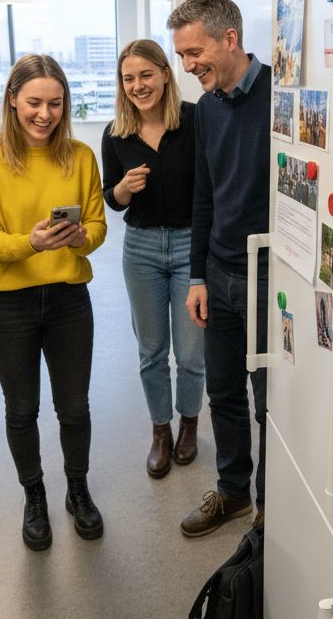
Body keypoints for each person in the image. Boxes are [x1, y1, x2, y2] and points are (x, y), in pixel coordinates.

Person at [0, 54, 108, 551]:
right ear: (12, 99)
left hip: (69, 299)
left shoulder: (82, 156)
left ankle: (77, 488)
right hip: (7, 306)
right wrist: (33, 243)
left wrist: (75, 239)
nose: (44, 114)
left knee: (74, 407)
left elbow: (98, 229)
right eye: (33, 103)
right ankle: (35, 494)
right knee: (22, 409)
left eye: (54, 103)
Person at [170, 0, 270, 537]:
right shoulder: (207, 109)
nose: (187, 67)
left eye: (193, 52)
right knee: (224, 393)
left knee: (269, 404)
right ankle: (233, 493)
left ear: (230, 39)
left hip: (269, 277)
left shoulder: (283, 96)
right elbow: (203, 196)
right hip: (221, 272)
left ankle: (270, 509)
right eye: (182, 56)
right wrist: (198, 276)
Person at [101, 39, 204, 479]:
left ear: (165, 73)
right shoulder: (115, 134)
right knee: (151, 351)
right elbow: (111, 199)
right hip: (140, 248)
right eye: (129, 78)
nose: (138, 85)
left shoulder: (197, 122)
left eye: (146, 75)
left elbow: (210, 191)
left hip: (188, 245)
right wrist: (123, 189)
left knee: (192, 351)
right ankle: (160, 430)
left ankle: (189, 425)